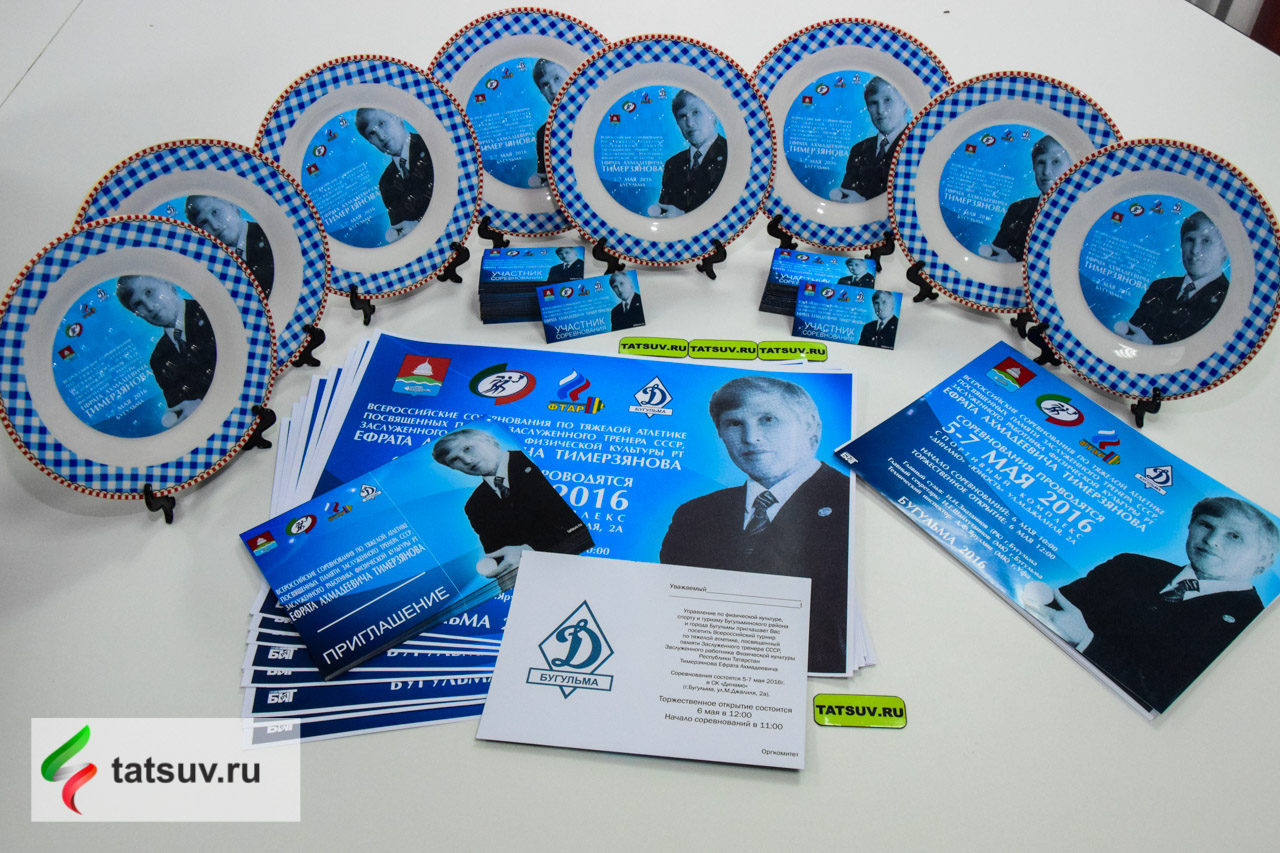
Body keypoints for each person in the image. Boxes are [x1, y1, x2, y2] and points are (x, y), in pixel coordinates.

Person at [659, 376, 850, 673]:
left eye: (768, 419)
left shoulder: (851, 504)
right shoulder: (694, 515)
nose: (751, 437)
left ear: (809, 425)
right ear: (720, 433)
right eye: (734, 423)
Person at [1027, 496, 1279, 713]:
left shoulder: (1251, 629)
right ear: (1190, 527)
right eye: (1205, 524)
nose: (1212, 540)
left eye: (1234, 536)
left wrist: (1086, 640)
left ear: (1263, 559)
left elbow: (1166, 699)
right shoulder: (1129, 566)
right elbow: (1048, 611)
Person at [432, 428, 592, 590]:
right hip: (541, 583)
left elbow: (581, 523)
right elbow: (499, 556)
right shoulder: (474, 506)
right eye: (454, 460)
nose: (467, 460)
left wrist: (532, 549)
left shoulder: (540, 461)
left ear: (489, 440)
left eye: (467, 448)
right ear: (453, 468)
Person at [1114, 211, 1230, 345]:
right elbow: (1133, 331)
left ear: (1224, 249)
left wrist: (1151, 347)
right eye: (1190, 240)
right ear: (1181, 244)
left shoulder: (1226, 301)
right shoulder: (1160, 286)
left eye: (1206, 241)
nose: (1195, 250)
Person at [115, 275, 216, 428]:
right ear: (137, 314)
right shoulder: (158, 359)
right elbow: (181, 410)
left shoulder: (210, 312)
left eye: (149, 292)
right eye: (138, 304)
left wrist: (202, 404)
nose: (149, 306)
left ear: (168, 284)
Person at [979, 135, 1070, 263]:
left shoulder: (1076, 215)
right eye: (1041, 162)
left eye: (1056, 162)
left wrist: (1015, 261)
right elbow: (998, 250)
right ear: (1033, 167)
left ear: (1072, 166)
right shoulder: (1018, 208)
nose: (1046, 171)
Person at [355, 107, 434, 242]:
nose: (381, 136)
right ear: (370, 142)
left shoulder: (431, 147)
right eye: (372, 133)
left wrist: (418, 224)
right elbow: (401, 229)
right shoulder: (386, 182)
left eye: (381, 123)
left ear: (396, 116)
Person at [830, 77, 910, 203]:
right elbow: (848, 194)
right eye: (873, 103)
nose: (880, 110)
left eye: (887, 100)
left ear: (904, 102)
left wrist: (863, 203)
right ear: (868, 108)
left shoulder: (915, 146)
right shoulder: (859, 149)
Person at [650, 90, 727, 218]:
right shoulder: (673, 164)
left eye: (696, 112)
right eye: (682, 116)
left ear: (712, 114)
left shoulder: (730, 155)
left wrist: (683, 216)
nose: (690, 123)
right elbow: (665, 210)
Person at [184, 195, 275, 298]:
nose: (215, 226)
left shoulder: (271, 235)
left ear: (232, 205)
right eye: (204, 222)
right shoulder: (213, 271)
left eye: (215, 212)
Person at [530, 58, 569, 188]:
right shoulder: (543, 133)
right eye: (545, 85)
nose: (553, 90)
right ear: (541, 92)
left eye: (557, 78)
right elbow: (543, 177)